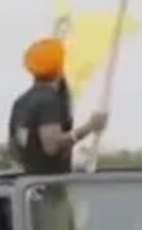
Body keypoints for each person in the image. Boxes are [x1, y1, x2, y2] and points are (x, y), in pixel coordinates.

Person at [8, 37, 110, 174]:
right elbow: (51, 146)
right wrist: (90, 126)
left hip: (28, 184)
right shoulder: (48, 100)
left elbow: (16, 146)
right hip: (50, 186)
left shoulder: (22, 102)